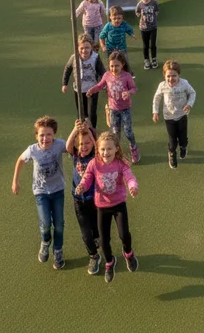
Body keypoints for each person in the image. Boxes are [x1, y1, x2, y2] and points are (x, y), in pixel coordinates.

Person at [75, 131, 139, 284]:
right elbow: (87, 178)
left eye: (109, 149)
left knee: (124, 234)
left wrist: (133, 186)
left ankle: (128, 253)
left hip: (118, 205)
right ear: (98, 150)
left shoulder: (120, 164)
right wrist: (82, 186)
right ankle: (109, 263)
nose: (106, 152)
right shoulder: (94, 163)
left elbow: (129, 177)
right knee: (104, 240)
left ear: (116, 148)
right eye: (102, 149)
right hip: (102, 207)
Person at [11, 115, 67, 270]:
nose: (45, 138)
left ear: (54, 134)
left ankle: (58, 251)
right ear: (36, 136)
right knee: (45, 225)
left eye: (49, 134)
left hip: (57, 191)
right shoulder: (32, 150)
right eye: (41, 135)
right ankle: (45, 241)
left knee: (59, 224)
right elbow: (20, 160)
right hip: (41, 192)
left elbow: (72, 147)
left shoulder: (59, 145)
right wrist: (15, 181)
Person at [87, 51, 140, 164]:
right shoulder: (107, 75)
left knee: (128, 131)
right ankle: (118, 153)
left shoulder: (126, 76)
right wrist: (92, 90)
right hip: (113, 109)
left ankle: (134, 147)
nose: (114, 68)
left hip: (125, 109)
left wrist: (128, 92)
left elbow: (134, 88)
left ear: (122, 65)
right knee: (115, 134)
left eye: (117, 65)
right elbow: (100, 85)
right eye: (111, 66)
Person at [65, 119, 101, 275]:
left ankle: (98, 237)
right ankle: (94, 256)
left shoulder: (96, 155)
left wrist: (89, 129)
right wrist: (75, 130)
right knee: (85, 232)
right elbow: (68, 146)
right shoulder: (76, 155)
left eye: (87, 143)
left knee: (96, 228)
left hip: (95, 199)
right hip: (79, 199)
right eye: (81, 144)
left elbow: (99, 144)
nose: (84, 146)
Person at [152, 61, 196, 169]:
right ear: (164, 75)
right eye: (168, 76)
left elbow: (192, 93)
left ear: (178, 75)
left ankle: (183, 147)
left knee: (183, 138)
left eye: (174, 76)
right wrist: (155, 111)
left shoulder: (184, 83)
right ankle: (172, 154)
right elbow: (157, 98)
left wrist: (189, 105)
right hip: (169, 117)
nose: (171, 79)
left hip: (182, 115)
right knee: (172, 140)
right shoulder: (162, 85)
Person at [62, 34, 105, 130]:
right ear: (77, 48)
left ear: (91, 48)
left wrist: (104, 84)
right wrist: (64, 83)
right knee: (81, 112)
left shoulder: (95, 58)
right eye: (81, 48)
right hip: (79, 90)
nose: (84, 50)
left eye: (87, 48)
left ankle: (92, 129)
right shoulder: (74, 57)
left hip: (92, 89)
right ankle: (81, 130)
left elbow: (102, 71)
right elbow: (68, 69)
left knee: (91, 112)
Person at [99, 6, 136, 74]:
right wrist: (103, 46)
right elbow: (101, 36)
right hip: (110, 49)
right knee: (110, 62)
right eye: (114, 18)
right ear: (110, 17)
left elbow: (129, 29)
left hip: (122, 48)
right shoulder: (108, 26)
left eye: (119, 18)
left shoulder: (124, 24)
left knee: (125, 61)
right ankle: (110, 75)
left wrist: (132, 34)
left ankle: (128, 73)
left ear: (122, 18)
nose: (117, 20)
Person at [135, 0, 160, 70]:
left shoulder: (154, 3)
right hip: (143, 28)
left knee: (153, 44)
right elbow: (137, 12)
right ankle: (146, 60)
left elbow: (157, 10)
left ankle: (154, 59)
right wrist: (140, 16)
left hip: (153, 27)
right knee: (145, 45)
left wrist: (153, 16)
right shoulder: (140, 4)